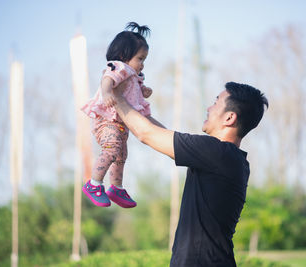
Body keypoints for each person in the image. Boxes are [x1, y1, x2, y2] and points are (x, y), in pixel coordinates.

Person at [113, 81, 268, 266]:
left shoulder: (217, 153)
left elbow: (146, 134)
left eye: (216, 102)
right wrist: (133, 101)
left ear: (229, 118)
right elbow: (157, 132)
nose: (209, 108)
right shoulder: (228, 158)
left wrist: (113, 94)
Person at [80, 22, 160, 208]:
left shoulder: (134, 75)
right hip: (106, 121)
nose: (142, 64)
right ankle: (94, 184)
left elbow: (134, 92)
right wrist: (107, 93)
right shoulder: (119, 67)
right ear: (124, 56)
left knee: (121, 155)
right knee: (112, 148)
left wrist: (144, 90)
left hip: (121, 124)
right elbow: (107, 79)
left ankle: (116, 187)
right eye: (140, 59)